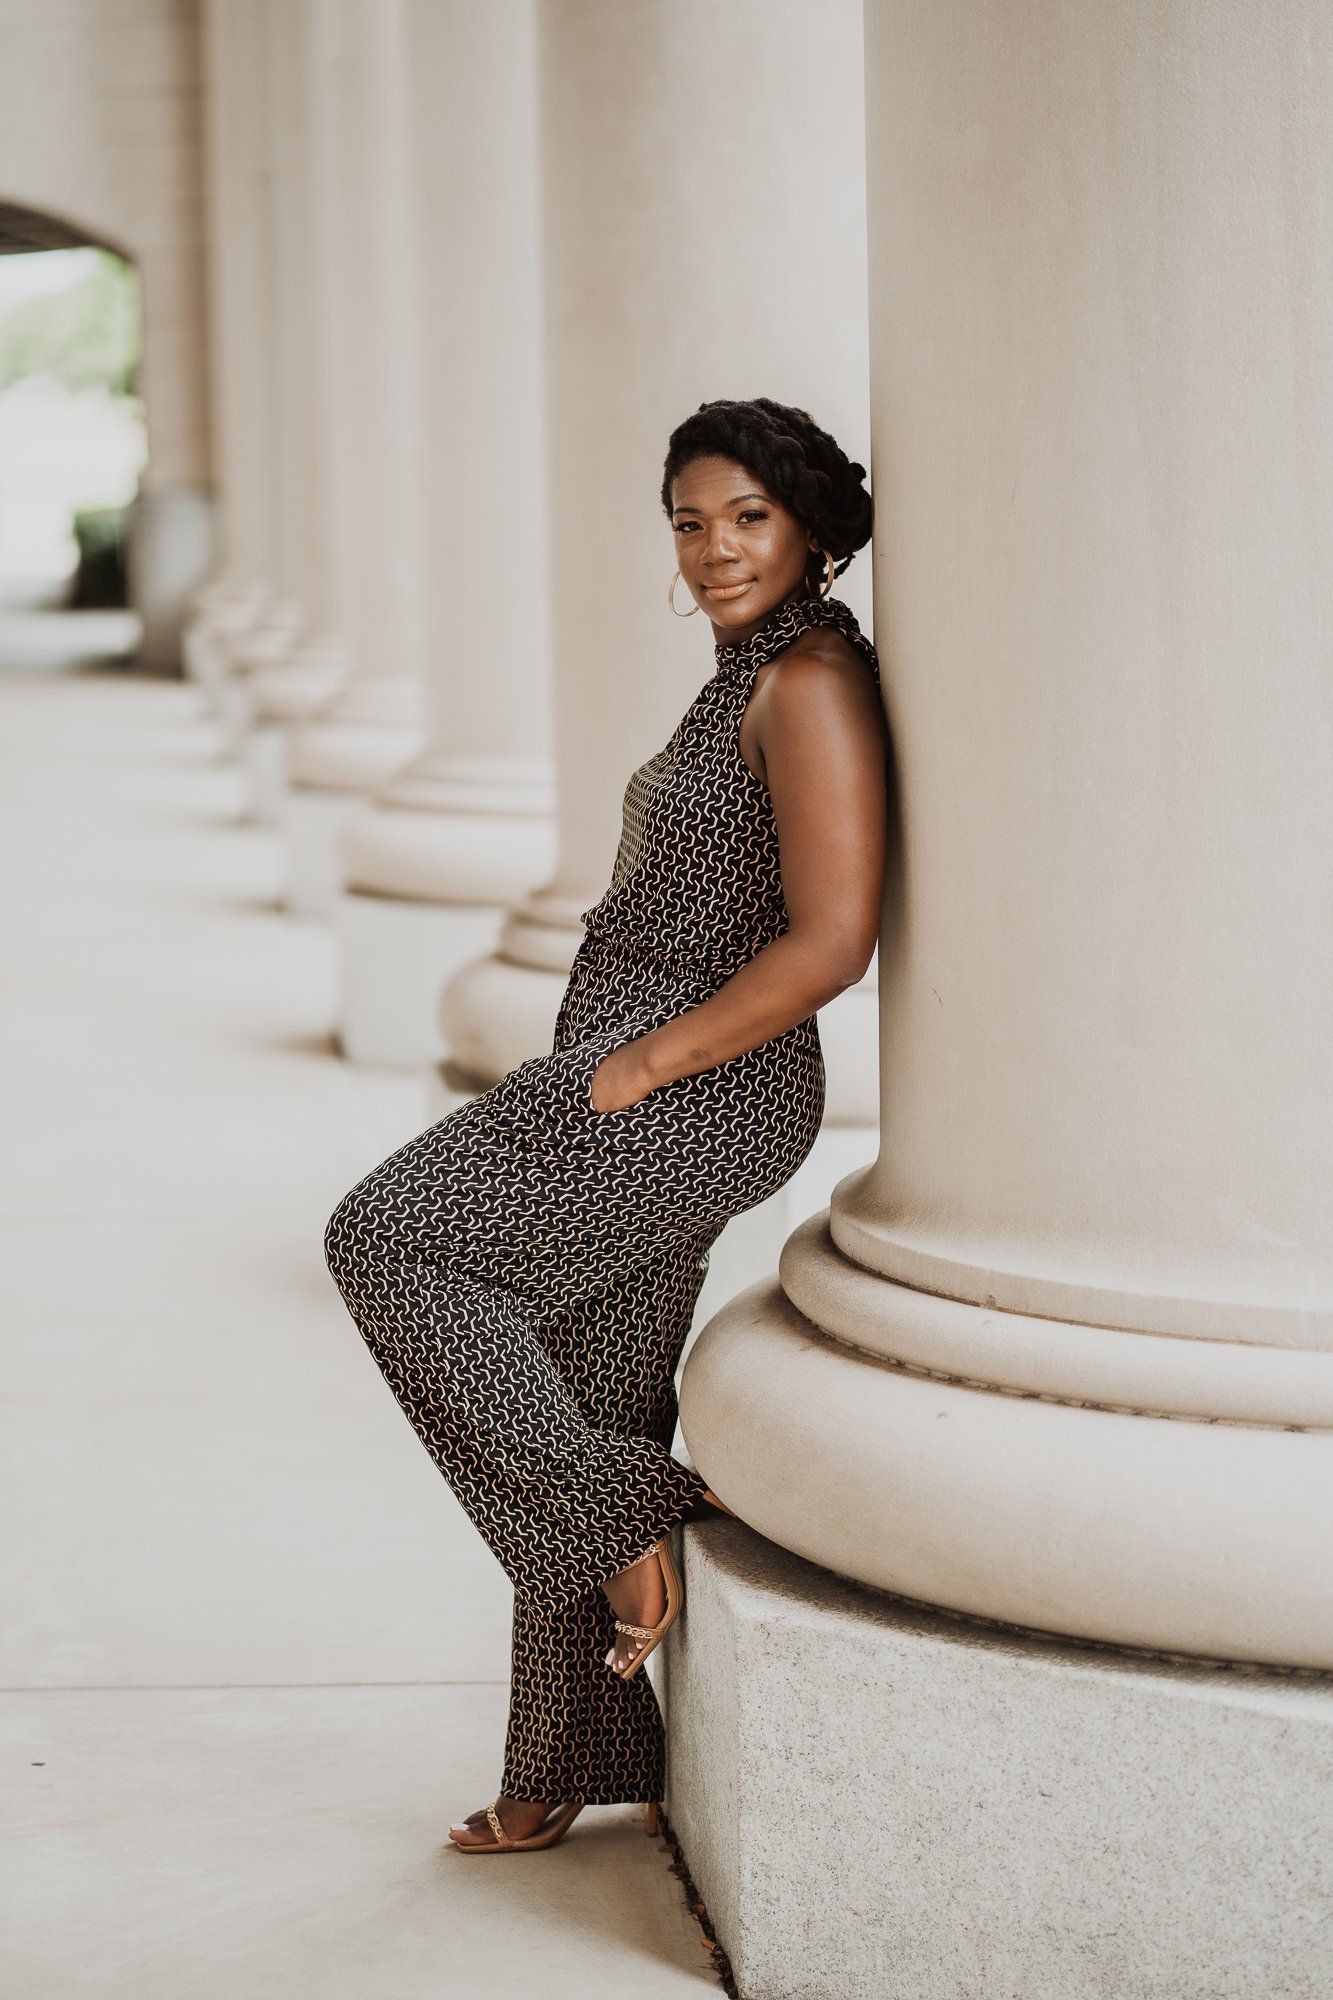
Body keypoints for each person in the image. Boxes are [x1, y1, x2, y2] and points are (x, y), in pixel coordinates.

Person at [323, 395, 889, 1855]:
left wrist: (634, 1072)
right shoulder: (742, 674)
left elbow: (830, 940)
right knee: (582, 1389)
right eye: (689, 524)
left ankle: (625, 1518)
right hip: (640, 1065)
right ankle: (559, 1759)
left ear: (813, 527)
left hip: (693, 1086)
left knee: (387, 1238)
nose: (712, 549)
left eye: (746, 518)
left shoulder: (808, 683)